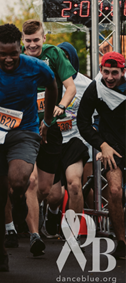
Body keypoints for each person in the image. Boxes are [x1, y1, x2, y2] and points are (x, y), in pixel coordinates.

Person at [0, 23, 57, 272]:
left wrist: (47, 121)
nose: (8, 59)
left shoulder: (35, 66)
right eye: (2, 54)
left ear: (20, 49)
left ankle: (19, 201)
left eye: (14, 54)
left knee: (19, 181)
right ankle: (0, 251)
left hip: (25, 130)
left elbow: (52, 86)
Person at [22, 19, 76, 256]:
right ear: (23, 41)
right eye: (28, 41)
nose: (32, 45)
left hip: (51, 125)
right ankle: (34, 235)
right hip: (24, 127)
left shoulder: (54, 54)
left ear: (44, 38)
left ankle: (42, 214)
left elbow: (71, 87)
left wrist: (61, 107)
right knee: (30, 182)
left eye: (36, 40)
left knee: (45, 189)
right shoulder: (17, 58)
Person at [77, 51, 126, 259]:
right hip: (112, 146)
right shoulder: (95, 87)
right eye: (106, 72)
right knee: (115, 192)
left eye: (115, 73)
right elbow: (83, 122)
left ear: (123, 72)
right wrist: (101, 145)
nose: (110, 77)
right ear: (100, 70)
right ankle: (122, 241)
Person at [41, 42, 93, 238]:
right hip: (53, 140)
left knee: (74, 184)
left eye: (65, 58)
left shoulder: (85, 85)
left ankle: (74, 232)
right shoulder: (43, 80)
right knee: (54, 196)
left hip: (75, 140)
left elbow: (94, 117)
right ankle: (52, 215)